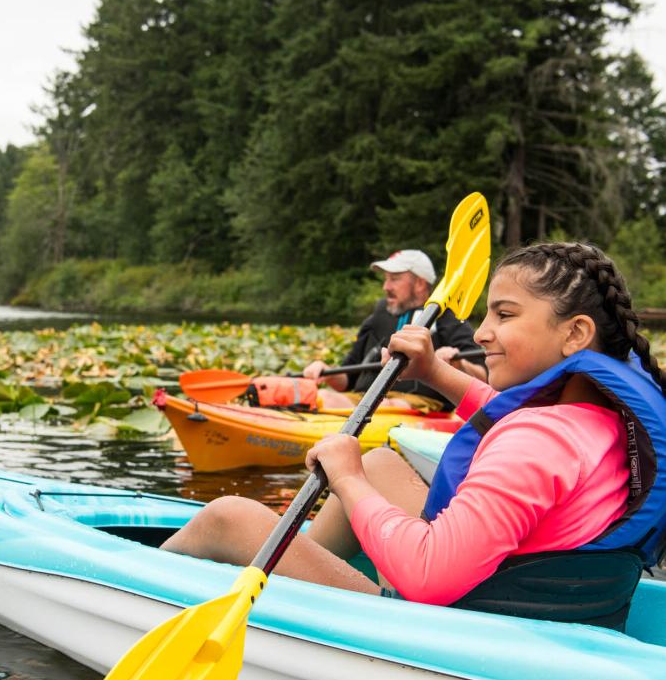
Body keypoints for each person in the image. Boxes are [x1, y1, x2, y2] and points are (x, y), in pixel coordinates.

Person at [162, 243, 666, 630]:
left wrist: (346, 476)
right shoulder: (603, 420)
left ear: (575, 334)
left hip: (458, 627)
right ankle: (305, 584)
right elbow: (514, 424)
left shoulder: (537, 442)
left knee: (230, 517)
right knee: (382, 463)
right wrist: (435, 374)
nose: (483, 332)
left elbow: (428, 577)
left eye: (505, 315)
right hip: (543, 610)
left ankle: (145, 595)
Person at [303, 249, 486, 409]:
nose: (386, 287)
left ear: (420, 284)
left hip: (416, 405)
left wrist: (459, 365)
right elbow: (346, 380)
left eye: (395, 279)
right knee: (320, 397)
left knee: (380, 404)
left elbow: (484, 378)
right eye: (386, 279)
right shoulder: (377, 319)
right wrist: (325, 371)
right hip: (365, 400)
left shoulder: (446, 318)